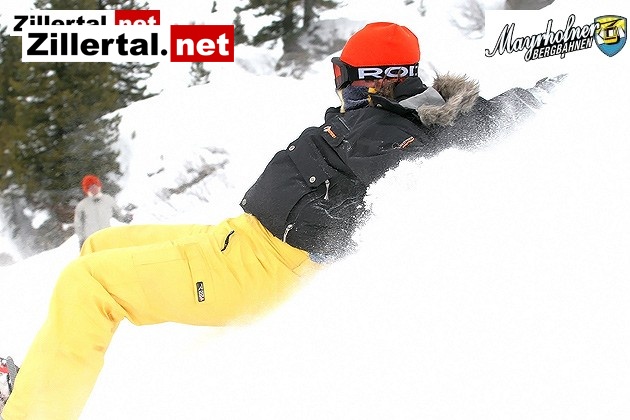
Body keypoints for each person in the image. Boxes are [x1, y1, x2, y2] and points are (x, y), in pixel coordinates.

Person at [1, 22, 564, 419]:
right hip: (239, 238)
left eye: (345, 74)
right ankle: (40, 385)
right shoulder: (391, 113)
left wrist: (569, 84)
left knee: (88, 284)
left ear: (378, 77)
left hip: (263, 266)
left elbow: (501, 118)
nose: (339, 85)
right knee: (100, 247)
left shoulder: (409, 136)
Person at [74, 174, 133, 249]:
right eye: (90, 187)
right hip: (91, 241)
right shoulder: (82, 205)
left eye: (94, 186)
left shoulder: (108, 199)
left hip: (107, 238)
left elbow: (117, 214)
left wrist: (125, 218)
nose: (93, 189)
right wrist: (82, 240)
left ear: (98, 186)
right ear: (87, 190)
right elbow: (78, 224)